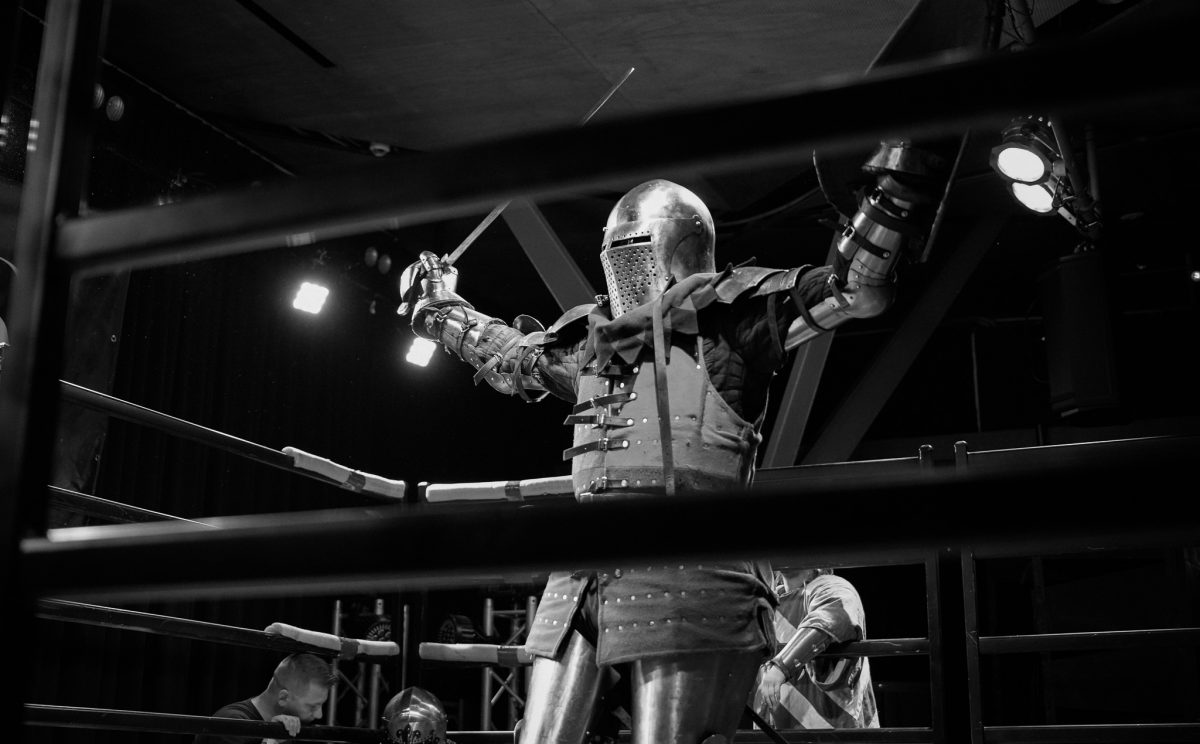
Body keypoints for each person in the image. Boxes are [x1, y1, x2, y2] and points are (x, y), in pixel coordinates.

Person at [400, 139, 950, 744]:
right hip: (585, 572)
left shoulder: (732, 321)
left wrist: (891, 193)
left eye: (636, 251)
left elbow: (855, 289)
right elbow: (513, 357)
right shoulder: (595, 343)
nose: (626, 268)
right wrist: (438, 306)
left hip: (692, 572)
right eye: (617, 254)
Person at [752, 567, 878, 730]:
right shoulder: (766, 599)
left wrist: (781, 667)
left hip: (830, 725)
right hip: (775, 721)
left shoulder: (833, 587)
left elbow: (829, 617)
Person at [194, 653, 335, 744]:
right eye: (312, 706)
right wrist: (271, 740)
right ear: (283, 697)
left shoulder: (289, 729)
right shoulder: (232, 723)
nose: (319, 715)